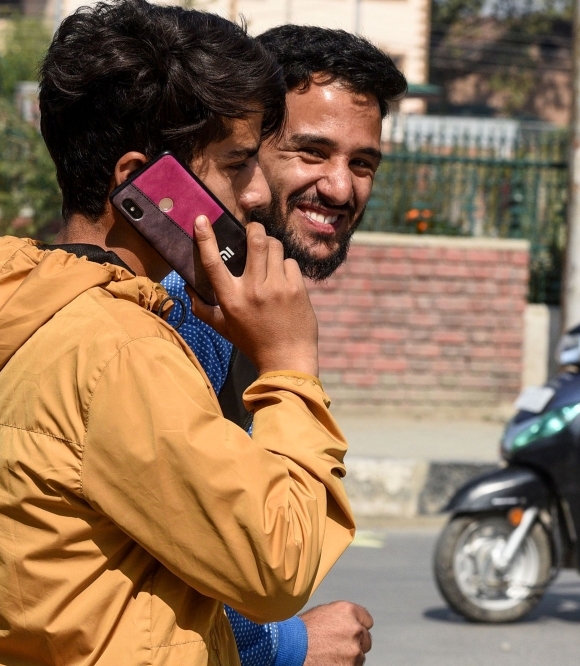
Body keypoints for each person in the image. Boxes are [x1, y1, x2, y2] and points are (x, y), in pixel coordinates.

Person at [0, 2, 355, 664]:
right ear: (141, 183)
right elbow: (277, 565)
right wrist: (289, 365)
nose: (257, 193)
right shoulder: (121, 351)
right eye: (235, 164)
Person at [160, 25, 406, 666]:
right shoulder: (186, 305)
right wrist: (283, 643)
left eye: (362, 163)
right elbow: (138, 582)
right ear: (246, 144)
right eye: (311, 151)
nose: (342, 187)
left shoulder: (245, 297)